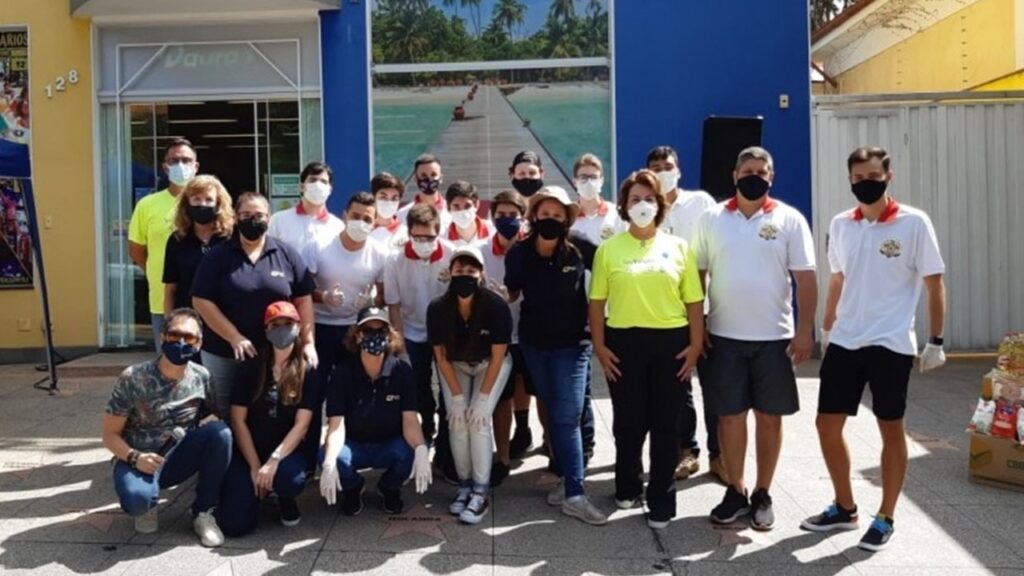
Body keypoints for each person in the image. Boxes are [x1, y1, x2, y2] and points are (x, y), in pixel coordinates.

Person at [801, 147, 946, 552]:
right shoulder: (841, 224)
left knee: (890, 427)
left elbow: (935, 283)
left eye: (873, 175)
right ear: (849, 181)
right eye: (858, 177)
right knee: (827, 425)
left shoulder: (914, 223)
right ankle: (845, 507)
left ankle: (885, 516)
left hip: (891, 342)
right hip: (846, 340)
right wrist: (828, 328)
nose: (866, 182)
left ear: (888, 176)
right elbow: (838, 279)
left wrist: (936, 341)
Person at [692, 146, 817, 531]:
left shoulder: (789, 219)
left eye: (762, 171)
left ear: (772, 177)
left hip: (773, 339)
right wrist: (699, 330)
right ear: (734, 174)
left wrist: (804, 331)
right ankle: (736, 488)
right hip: (724, 337)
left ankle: (763, 492)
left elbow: (806, 279)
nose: (755, 176)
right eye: (747, 169)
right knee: (729, 418)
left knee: (769, 418)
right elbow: (696, 277)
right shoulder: (712, 217)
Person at [589, 170, 705, 529]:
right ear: (623, 205)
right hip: (624, 343)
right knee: (628, 422)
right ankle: (625, 486)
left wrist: (696, 345)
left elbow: (694, 302)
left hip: (671, 343)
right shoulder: (609, 249)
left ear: (660, 204)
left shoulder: (679, 247)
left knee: (666, 424)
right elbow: (596, 303)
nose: (642, 205)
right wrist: (600, 346)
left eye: (649, 199)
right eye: (635, 199)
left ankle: (661, 498)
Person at [505, 186, 606, 526]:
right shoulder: (519, 252)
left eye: (558, 216)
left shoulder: (580, 248)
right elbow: (513, 289)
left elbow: (609, 273)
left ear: (567, 219)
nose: (551, 220)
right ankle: (564, 475)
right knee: (550, 407)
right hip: (535, 344)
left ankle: (575, 494)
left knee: (567, 416)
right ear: (534, 216)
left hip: (573, 345)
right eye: (545, 215)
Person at [101, 307, 231, 547]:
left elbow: (211, 414)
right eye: (174, 335)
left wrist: (211, 420)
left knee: (221, 434)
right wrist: (134, 457)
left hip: (177, 457)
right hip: (138, 458)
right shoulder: (133, 377)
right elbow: (109, 435)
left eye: (189, 337)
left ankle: (204, 513)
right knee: (138, 500)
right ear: (163, 337)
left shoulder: (203, 376)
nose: (181, 342)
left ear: (199, 343)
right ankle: (146, 501)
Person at [191, 192, 317, 418]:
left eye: (259, 215)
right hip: (225, 352)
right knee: (223, 413)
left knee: (268, 414)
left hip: (276, 353)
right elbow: (201, 300)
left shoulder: (286, 254)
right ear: (236, 217)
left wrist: (308, 342)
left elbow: (304, 298)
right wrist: (234, 336)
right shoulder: (218, 256)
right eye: (246, 214)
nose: (253, 220)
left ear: (269, 218)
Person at [646, 145, 722, 484]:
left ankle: (720, 455)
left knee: (715, 385)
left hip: (704, 309)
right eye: (656, 167)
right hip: (667, 314)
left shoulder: (702, 203)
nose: (663, 171)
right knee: (681, 388)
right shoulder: (644, 209)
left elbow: (715, 252)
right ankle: (686, 451)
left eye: (668, 165)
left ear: (679, 169)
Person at [217, 301, 319, 536]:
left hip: (286, 454)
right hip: (250, 450)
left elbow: (302, 425)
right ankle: (254, 491)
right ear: (266, 329)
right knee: (236, 525)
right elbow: (238, 419)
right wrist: (254, 466)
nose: (282, 329)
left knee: (288, 480)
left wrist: (273, 461)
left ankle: (283, 496)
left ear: (298, 327)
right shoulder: (252, 366)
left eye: (288, 324)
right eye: (276, 324)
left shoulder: (308, 369)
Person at [428, 246, 513, 524]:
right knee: (457, 419)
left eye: (471, 270)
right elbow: (440, 356)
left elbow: (499, 353)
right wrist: (456, 397)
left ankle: (481, 489)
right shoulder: (438, 308)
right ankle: (464, 485)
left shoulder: (496, 305)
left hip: (490, 363)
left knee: (478, 420)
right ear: (449, 273)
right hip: (455, 365)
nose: (465, 275)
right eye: (459, 270)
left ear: (481, 274)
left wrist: (483, 398)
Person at [304, 191, 389, 470]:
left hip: (356, 331)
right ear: (344, 215)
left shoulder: (379, 252)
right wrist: (323, 296)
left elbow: (385, 296)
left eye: (367, 218)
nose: (361, 222)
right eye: (356, 216)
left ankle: (347, 454)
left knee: (354, 393)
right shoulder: (320, 244)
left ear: (375, 222)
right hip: (322, 327)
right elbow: (303, 290)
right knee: (313, 393)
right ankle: (307, 459)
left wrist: (373, 301)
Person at [319, 306, 432, 516]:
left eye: (381, 331)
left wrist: (421, 447)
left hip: (390, 443)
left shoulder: (401, 371)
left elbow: (409, 419)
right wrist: (328, 461)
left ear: (390, 336)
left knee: (409, 452)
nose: (375, 337)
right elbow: (336, 425)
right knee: (332, 456)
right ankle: (353, 488)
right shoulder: (342, 373)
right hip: (355, 445)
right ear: (358, 336)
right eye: (368, 331)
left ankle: (389, 488)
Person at [383, 203, 457, 480]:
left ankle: (447, 456)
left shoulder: (451, 255)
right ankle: (422, 440)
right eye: (418, 237)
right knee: (417, 390)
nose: (424, 243)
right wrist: (399, 345)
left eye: (429, 237)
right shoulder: (395, 260)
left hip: (445, 334)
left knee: (449, 393)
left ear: (439, 233)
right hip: (412, 333)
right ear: (408, 233)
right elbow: (394, 305)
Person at [129, 138, 199, 351]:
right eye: (174, 160)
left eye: (186, 160)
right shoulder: (147, 205)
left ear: (196, 166)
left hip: (205, 300)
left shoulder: (208, 201)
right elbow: (137, 249)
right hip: (162, 301)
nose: (180, 165)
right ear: (164, 166)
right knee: (168, 364)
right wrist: (156, 272)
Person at [482, 190, 531, 485]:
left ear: (523, 218)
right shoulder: (481, 250)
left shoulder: (532, 249)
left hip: (529, 332)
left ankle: (528, 434)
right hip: (497, 337)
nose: (507, 220)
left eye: (513, 215)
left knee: (532, 390)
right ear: (492, 218)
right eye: (501, 215)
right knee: (501, 397)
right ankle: (502, 458)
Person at [504, 150, 547, 460]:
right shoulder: (506, 213)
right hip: (508, 313)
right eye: (522, 174)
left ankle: (548, 435)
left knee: (537, 379)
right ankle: (521, 427)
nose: (527, 179)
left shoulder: (548, 211)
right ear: (511, 174)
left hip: (538, 314)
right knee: (515, 376)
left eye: (532, 174)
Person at [163, 175, 234, 318]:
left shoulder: (232, 238)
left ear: (219, 204)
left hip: (227, 320)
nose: (203, 204)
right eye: (196, 199)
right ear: (187, 203)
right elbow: (170, 289)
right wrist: (169, 323)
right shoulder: (177, 240)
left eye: (209, 200)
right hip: (187, 321)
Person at [267, 162, 345, 263]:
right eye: (312, 180)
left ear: (330, 190)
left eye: (323, 181)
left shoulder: (337, 226)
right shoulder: (278, 220)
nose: (318, 185)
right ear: (302, 187)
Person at [570, 153, 623, 246]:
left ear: (601, 181)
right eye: (583, 177)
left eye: (594, 177)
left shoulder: (616, 213)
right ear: (575, 181)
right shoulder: (568, 216)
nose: (589, 182)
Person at [397, 153, 451, 231]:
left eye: (433, 174)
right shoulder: (402, 215)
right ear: (415, 178)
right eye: (423, 175)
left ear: (441, 178)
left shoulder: (452, 212)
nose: (429, 179)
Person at [445, 180, 494, 248]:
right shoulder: (441, 238)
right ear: (448, 208)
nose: (462, 211)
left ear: (477, 205)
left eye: (467, 206)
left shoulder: (494, 232)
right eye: (456, 206)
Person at [370, 172, 409, 252]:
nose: (389, 202)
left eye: (394, 199)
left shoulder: (406, 233)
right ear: (374, 198)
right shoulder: (365, 232)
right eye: (383, 197)